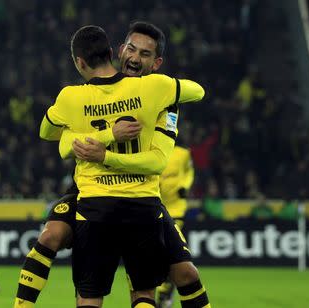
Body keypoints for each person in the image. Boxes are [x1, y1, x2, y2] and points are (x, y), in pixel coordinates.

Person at [15, 22, 210, 308]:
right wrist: (108, 135)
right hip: (93, 191)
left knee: (184, 272)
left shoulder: (161, 100)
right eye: (131, 48)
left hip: (138, 193)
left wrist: (103, 154)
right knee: (51, 234)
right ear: (117, 50)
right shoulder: (146, 90)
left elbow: (157, 162)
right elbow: (63, 145)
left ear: (156, 63)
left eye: (145, 54)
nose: (134, 57)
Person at [157, 144, 195, 307]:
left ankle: (164, 293)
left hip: (176, 208)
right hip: (155, 206)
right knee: (159, 253)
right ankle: (164, 292)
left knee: (169, 250)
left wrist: (184, 187)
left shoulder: (183, 154)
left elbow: (189, 172)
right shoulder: (153, 150)